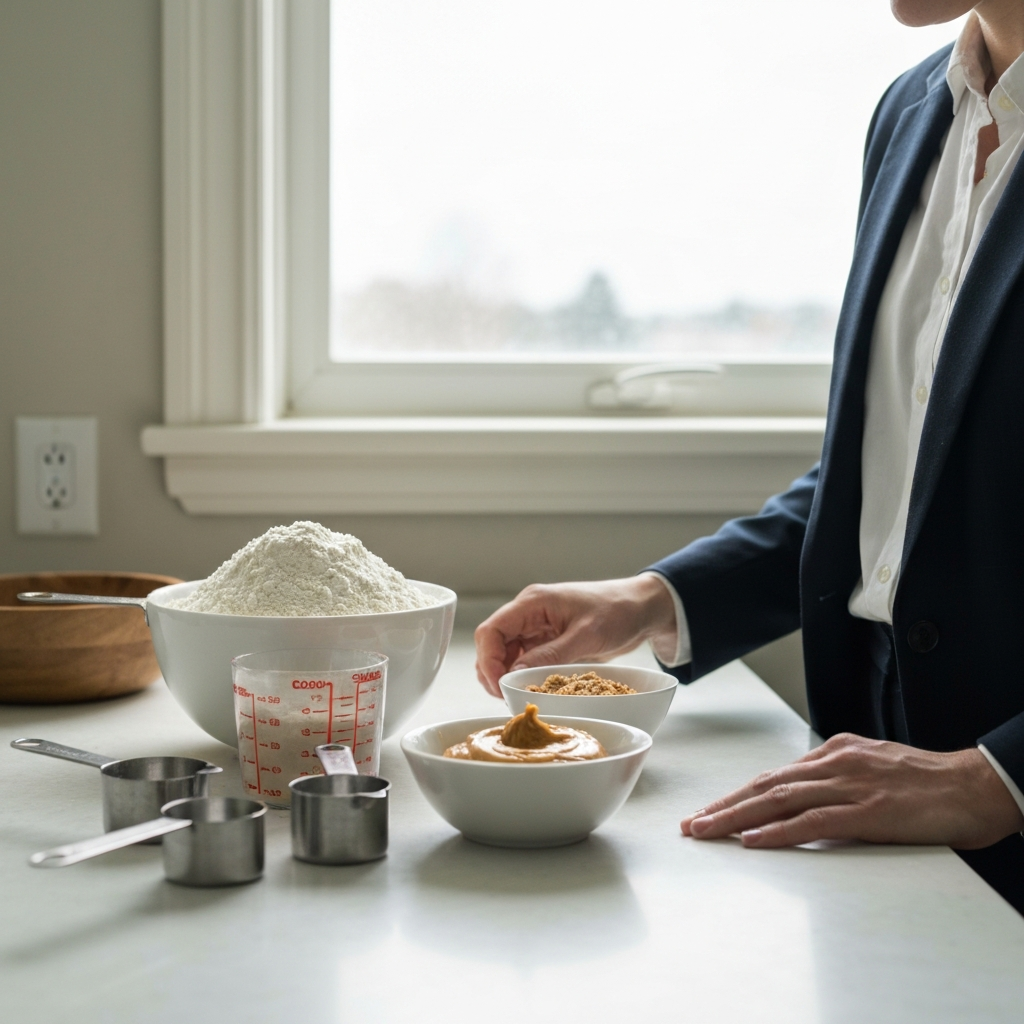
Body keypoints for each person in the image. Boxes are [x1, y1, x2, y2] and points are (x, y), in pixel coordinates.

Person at [474, 0, 1024, 913]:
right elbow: (899, 487)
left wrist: (995, 778)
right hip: (870, 768)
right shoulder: (911, 110)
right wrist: (654, 600)